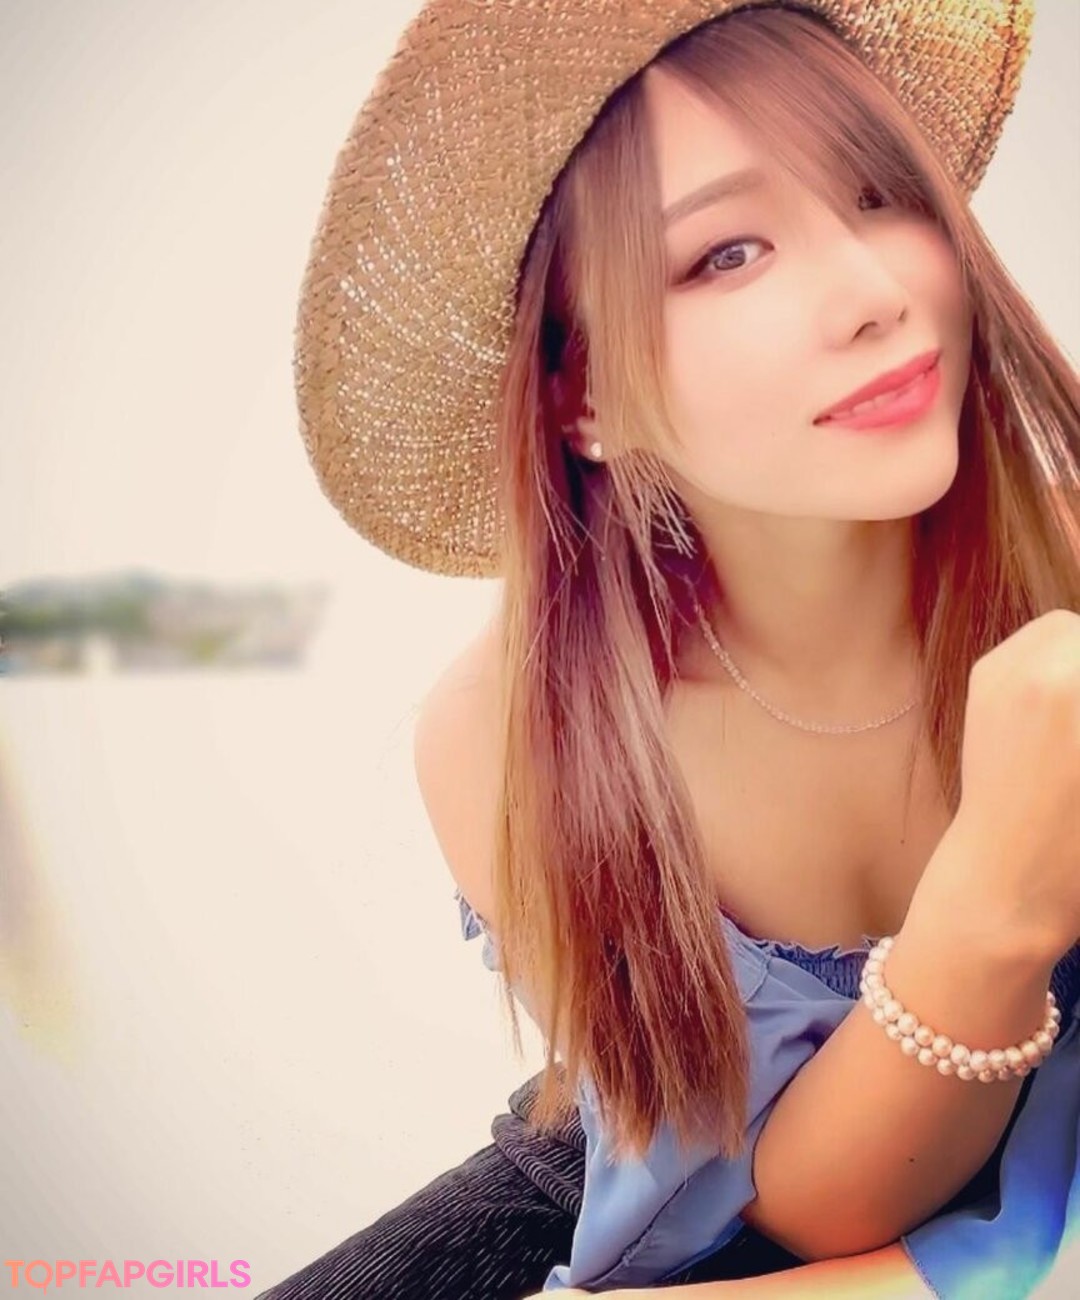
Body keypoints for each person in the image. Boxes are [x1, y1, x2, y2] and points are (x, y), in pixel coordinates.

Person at [262, 0, 1080, 1295]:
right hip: (659, 1182)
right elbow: (793, 1206)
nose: (875, 296)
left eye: (877, 194)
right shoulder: (515, 741)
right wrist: (999, 899)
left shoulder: (1060, 574)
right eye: (729, 253)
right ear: (580, 393)